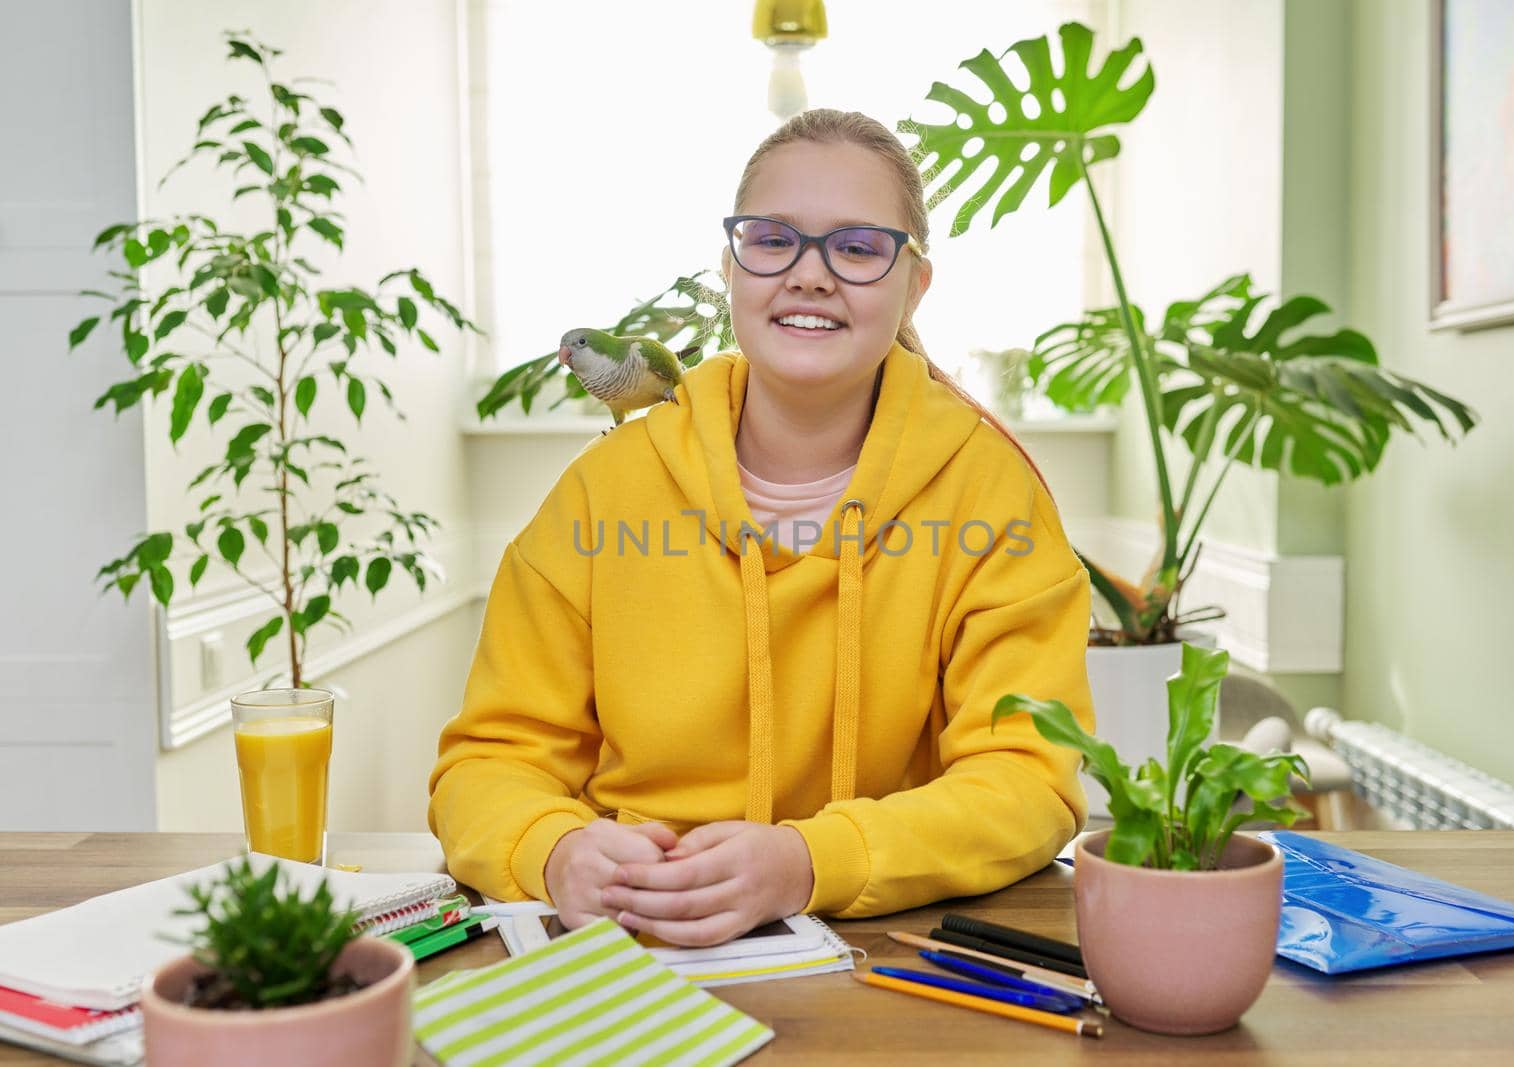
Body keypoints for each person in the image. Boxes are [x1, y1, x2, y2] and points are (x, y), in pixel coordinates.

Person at [428, 108, 1095, 947]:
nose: (809, 275)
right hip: (629, 945)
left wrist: (812, 860)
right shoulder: (602, 493)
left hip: (888, 956)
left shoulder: (992, 493)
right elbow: (489, 762)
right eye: (774, 238)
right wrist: (553, 849)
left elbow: (1029, 779)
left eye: (856, 247)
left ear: (914, 284)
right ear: (732, 267)